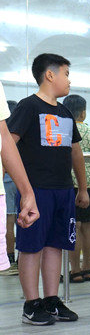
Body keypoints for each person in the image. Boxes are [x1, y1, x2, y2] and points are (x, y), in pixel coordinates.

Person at [8, 54, 87, 325]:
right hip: (35, 190)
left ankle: (52, 300)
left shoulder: (65, 112)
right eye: (66, 73)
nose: (69, 80)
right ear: (50, 75)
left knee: (55, 245)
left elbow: (76, 152)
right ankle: (31, 304)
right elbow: (8, 144)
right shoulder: (28, 107)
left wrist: (82, 188)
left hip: (63, 190)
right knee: (32, 247)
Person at [63, 94, 90, 283]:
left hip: (69, 184)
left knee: (74, 226)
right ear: (83, 113)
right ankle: (87, 268)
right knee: (89, 226)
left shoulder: (63, 131)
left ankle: (75, 270)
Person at [0, 99, 19, 276]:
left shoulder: (5, 135)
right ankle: (19, 259)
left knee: (9, 221)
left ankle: (10, 258)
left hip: (6, 181)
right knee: (22, 220)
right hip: (20, 181)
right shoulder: (20, 133)